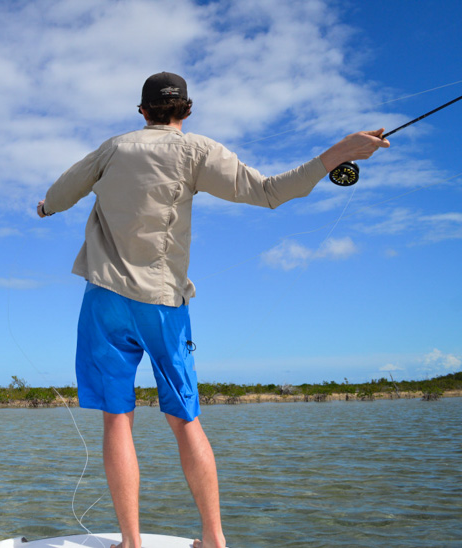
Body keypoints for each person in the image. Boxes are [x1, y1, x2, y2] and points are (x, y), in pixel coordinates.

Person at [36, 72, 389, 548]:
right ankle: (214, 538)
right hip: (164, 303)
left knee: (117, 419)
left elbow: (59, 196)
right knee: (185, 419)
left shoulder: (113, 149)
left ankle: (131, 542)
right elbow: (270, 192)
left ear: (142, 111)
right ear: (186, 110)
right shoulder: (198, 150)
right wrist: (339, 153)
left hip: (104, 301)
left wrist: (43, 209)